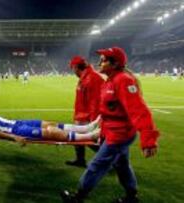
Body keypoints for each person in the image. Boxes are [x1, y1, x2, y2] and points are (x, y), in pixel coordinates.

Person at [60, 47, 160, 202]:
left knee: (97, 164)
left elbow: (139, 111)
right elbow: (110, 110)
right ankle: (132, 196)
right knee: (122, 165)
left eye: (104, 60)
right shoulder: (110, 81)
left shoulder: (123, 81)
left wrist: (148, 140)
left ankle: (78, 197)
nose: (99, 62)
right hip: (113, 132)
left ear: (114, 64)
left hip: (120, 134)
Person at [0, 99, 100, 143]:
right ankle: (89, 136)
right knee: (49, 132)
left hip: (18, 122)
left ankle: (85, 128)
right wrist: (13, 137)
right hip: (16, 130)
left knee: (48, 124)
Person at [66, 56, 104, 168]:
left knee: (88, 139)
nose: (73, 71)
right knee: (78, 138)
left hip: (87, 116)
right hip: (81, 115)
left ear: (77, 67)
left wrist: (93, 120)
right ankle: (80, 160)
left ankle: (110, 158)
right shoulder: (85, 77)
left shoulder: (92, 78)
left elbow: (95, 102)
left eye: (73, 68)